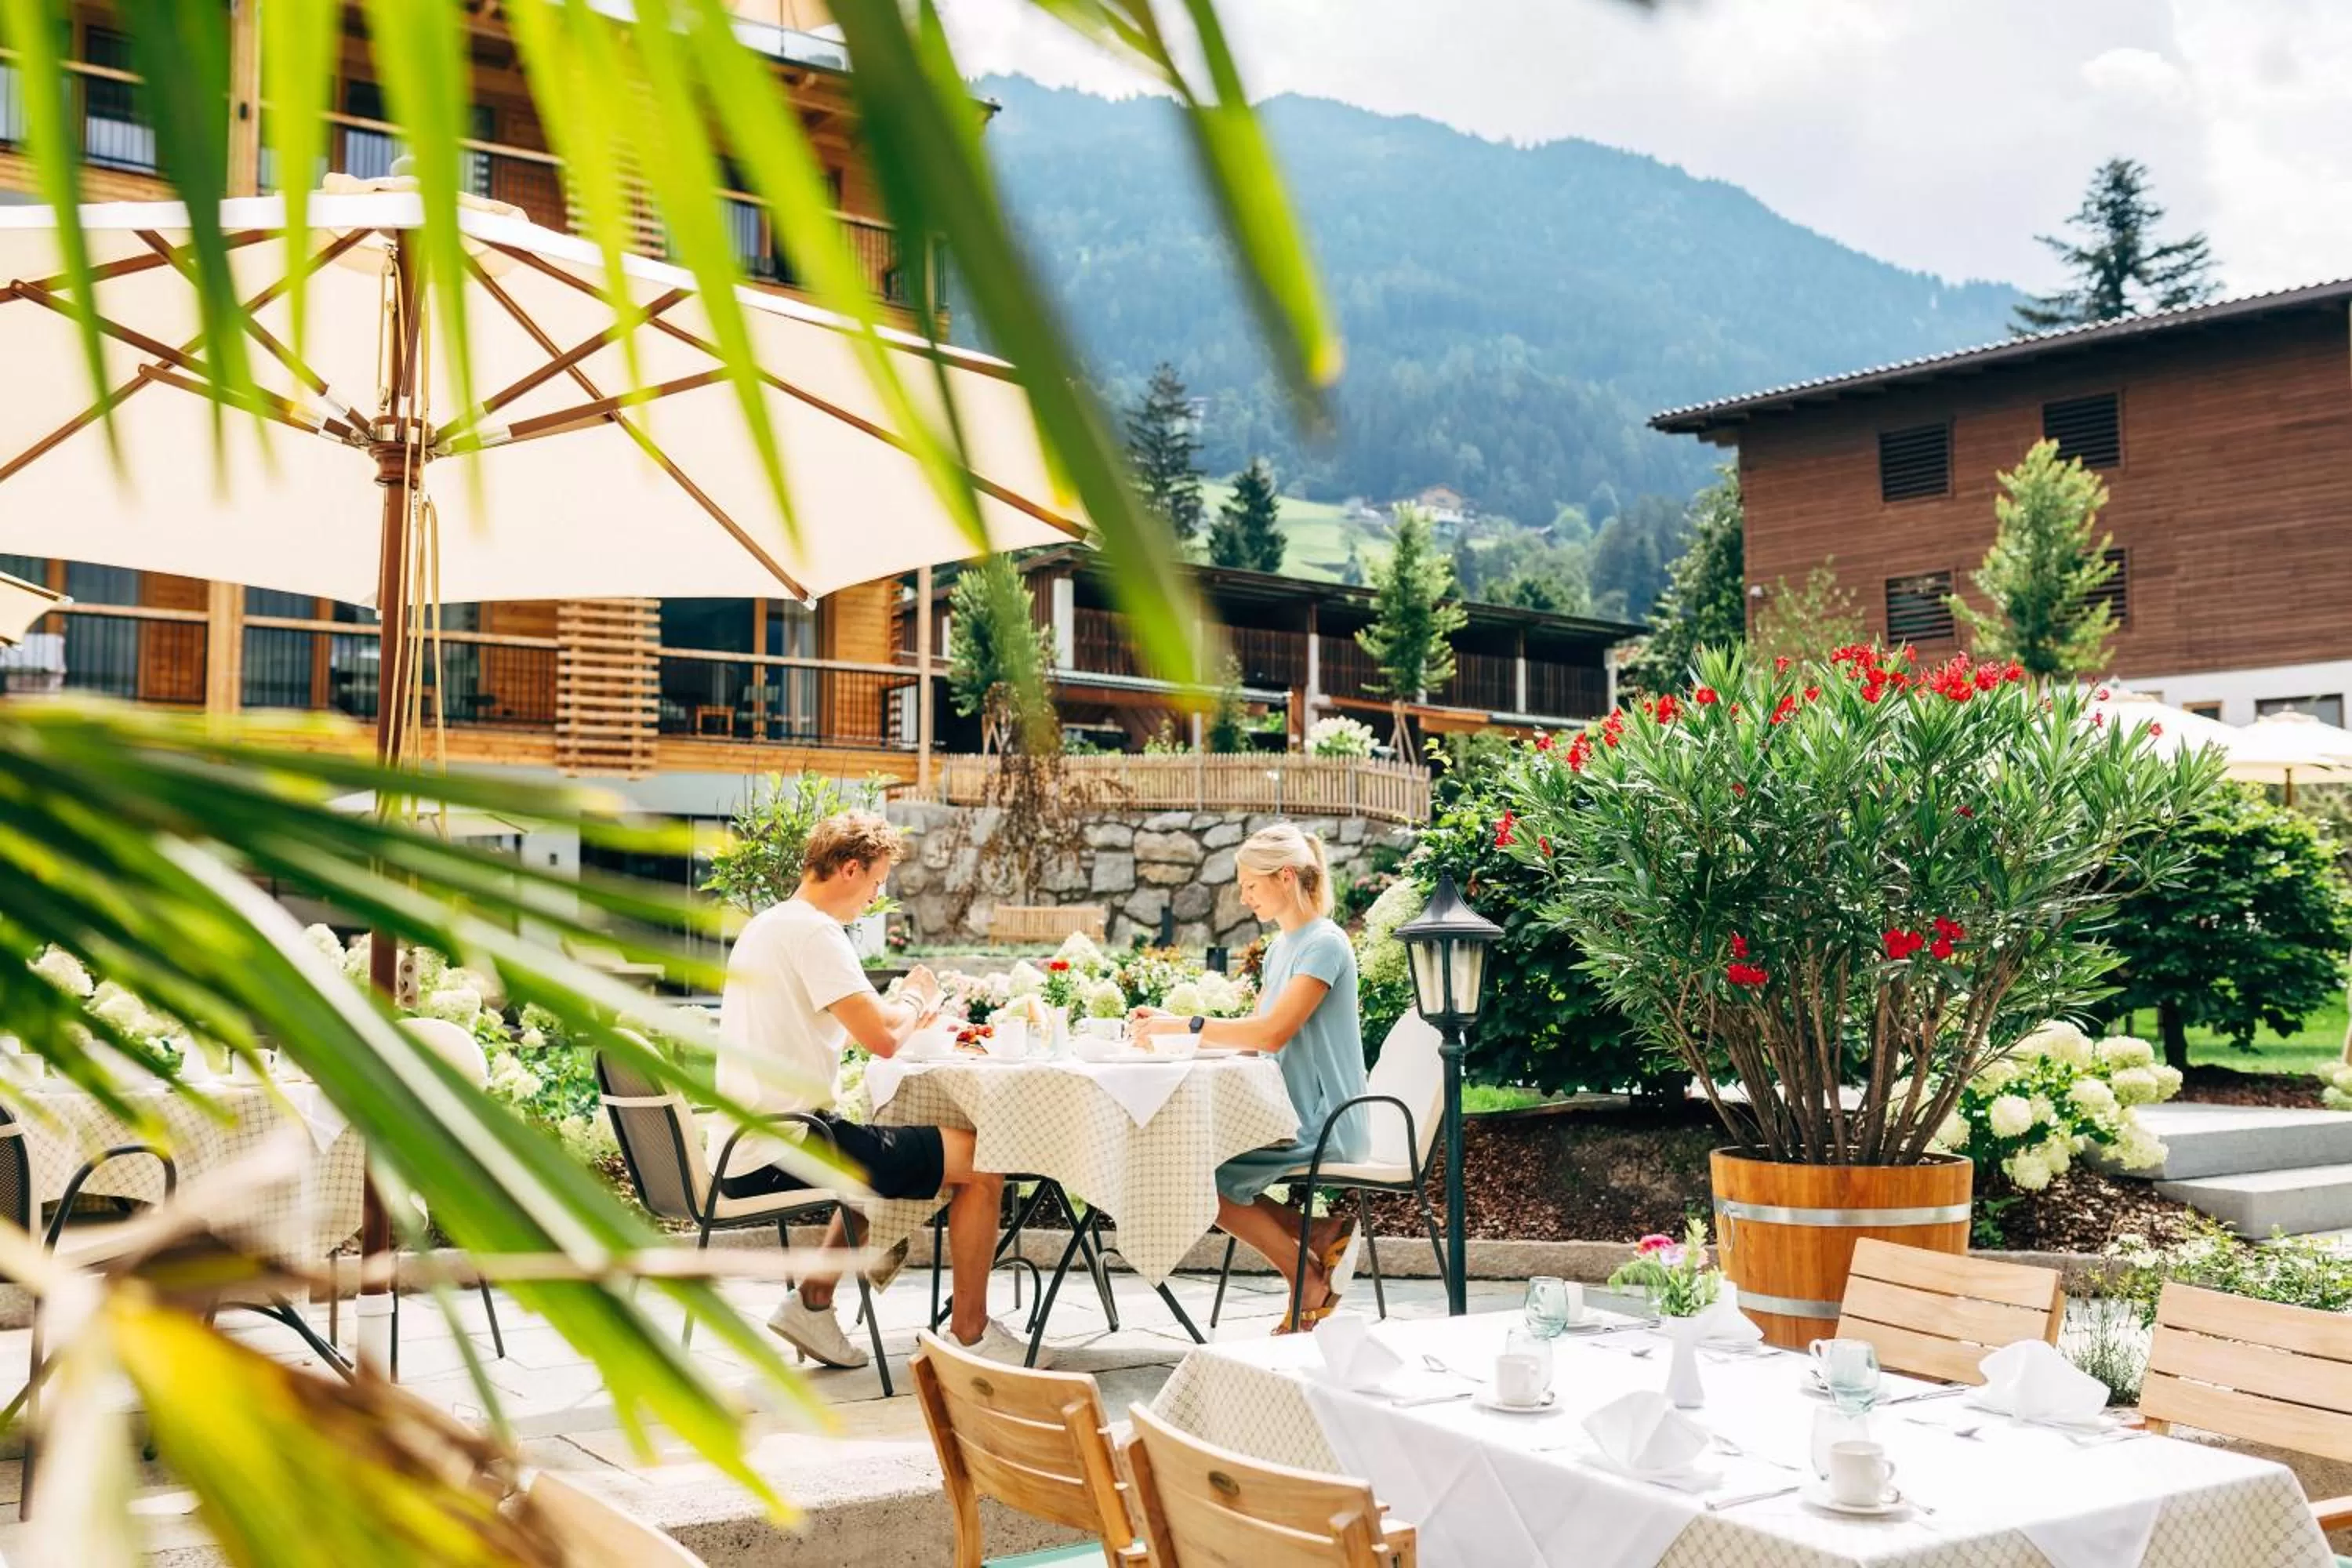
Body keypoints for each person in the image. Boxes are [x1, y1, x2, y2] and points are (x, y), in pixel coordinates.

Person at [711, 810, 1034, 1367]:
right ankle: (971, 1337)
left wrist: (903, 1016)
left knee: (878, 1148)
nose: (876, 898)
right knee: (982, 1163)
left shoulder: (771, 924)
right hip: (786, 1143)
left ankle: (812, 1304)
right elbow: (884, 1038)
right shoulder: (816, 933)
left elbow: (865, 1025)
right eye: (878, 882)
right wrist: (915, 995)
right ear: (851, 869)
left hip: (753, 1139)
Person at [1132, 822, 1367, 1333]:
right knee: (1190, 1165)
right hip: (1283, 1109)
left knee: (1197, 1175)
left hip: (1325, 1118)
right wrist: (1175, 1033)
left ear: (1285, 877)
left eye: (1250, 886)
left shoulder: (1325, 944)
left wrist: (1187, 1025)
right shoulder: (1284, 948)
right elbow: (1250, 1038)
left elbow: (1273, 1034)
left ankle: (1306, 1277)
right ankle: (1320, 1237)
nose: (1243, 898)